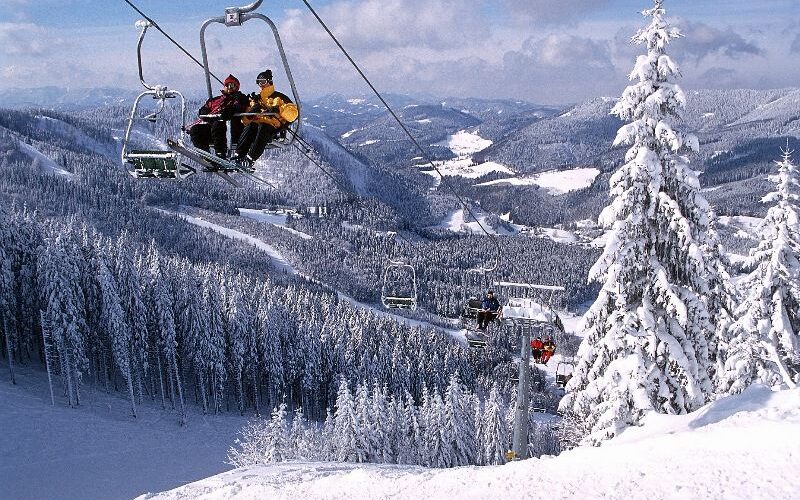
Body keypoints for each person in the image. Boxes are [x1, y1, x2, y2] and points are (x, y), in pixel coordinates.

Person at [233, 69, 299, 169]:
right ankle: (239, 155)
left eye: (263, 82)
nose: (261, 84)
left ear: (269, 81)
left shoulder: (279, 98)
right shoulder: (256, 100)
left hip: (273, 127)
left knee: (263, 127)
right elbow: (245, 121)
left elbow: (293, 114)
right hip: (257, 125)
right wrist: (250, 114)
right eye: (259, 82)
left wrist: (278, 109)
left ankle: (250, 159)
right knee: (251, 126)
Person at [186, 74, 249, 159]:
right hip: (215, 132)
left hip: (232, 132)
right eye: (227, 85)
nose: (229, 87)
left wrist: (228, 111)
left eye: (232, 85)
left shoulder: (240, 98)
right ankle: (205, 155)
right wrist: (205, 113)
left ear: (237, 87)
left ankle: (221, 154)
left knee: (218, 124)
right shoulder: (217, 100)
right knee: (195, 130)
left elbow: (239, 107)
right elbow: (205, 109)